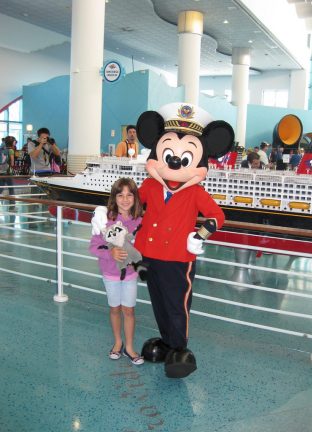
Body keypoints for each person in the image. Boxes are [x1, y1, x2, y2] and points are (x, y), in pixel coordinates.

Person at [92, 102, 234, 378]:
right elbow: (129, 209)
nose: (174, 162)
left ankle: (179, 347)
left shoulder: (195, 193)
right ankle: (166, 341)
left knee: (177, 304)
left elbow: (217, 215)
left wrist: (199, 235)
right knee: (158, 301)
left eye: (185, 158)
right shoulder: (151, 185)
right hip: (147, 256)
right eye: (168, 153)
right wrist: (105, 216)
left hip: (179, 259)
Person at [89, 178, 144, 366]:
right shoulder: (105, 220)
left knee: (129, 310)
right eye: (120, 195)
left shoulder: (139, 220)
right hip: (110, 274)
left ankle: (129, 346)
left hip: (130, 275)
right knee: (115, 309)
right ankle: (117, 342)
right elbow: (93, 247)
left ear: (135, 198)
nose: (125, 199)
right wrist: (110, 252)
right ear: (114, 197)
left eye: (130, 195)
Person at [0, 136, 16, 204]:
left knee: (1, 188)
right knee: (11, 188)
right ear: (11, 142)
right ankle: (12, 203)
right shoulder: (11, 150)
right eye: (14, 141)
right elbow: (12, 163)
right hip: (8, 172)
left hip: (1, 172)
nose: (15, 142)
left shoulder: (1, 150)